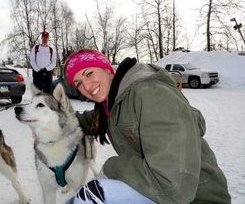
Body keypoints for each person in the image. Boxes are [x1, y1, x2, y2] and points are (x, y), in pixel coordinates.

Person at [63, 49, 231, 204]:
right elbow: (85, 121)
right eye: (78, 83)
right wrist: (49, 117)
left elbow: (173, 187)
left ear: (107, 68)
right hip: (160, 192)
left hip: (196, 197)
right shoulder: (112, 105)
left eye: (89, 73)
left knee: (92, 195)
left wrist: (111, 168)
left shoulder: (150, 93)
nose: (86, 86)